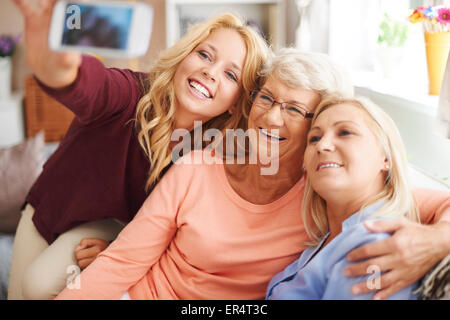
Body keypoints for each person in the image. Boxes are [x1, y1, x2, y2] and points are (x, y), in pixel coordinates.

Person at [55, 48, 450, 300]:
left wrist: (434, 242)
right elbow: (123, 262)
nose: (271, 116)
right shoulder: (198, 167)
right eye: (267, 98)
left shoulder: (330, 186)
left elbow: (432, 202)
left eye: (294, 110)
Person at [8, 0, 270, 300]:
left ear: (236, 101)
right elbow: (81, 82)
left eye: (231, 75)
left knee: (38, 285)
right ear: (185, 55)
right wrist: (59, 55)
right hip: (52, 209)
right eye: (204, 55)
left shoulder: (216, 153)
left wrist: (122, 256)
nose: (210, 72)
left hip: (117, 227)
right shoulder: (129, 94)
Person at [266, 96, 441, 299]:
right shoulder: (326, 240)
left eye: (345, 132)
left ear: (386, 158)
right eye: (314, 138)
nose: (322, 145)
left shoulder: (376, 245)